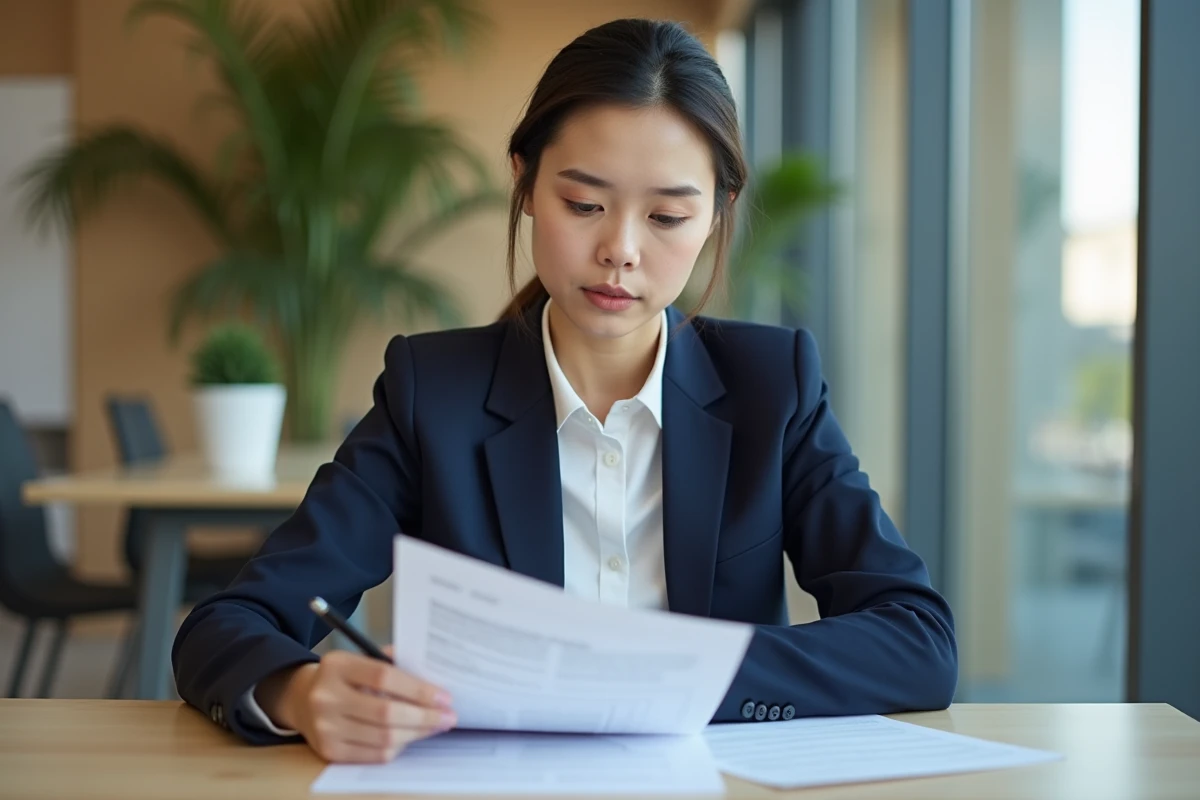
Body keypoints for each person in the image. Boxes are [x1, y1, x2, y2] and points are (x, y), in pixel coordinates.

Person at [172, 17, 957, 763]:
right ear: (525, 182)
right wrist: (299, 691)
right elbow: (226, 625)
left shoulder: (770, 387)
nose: (619, 250)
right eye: (583, 205)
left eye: (668, 216)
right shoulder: (432, 393)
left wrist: (670, 676)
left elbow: (916, 641)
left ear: (717, 215)